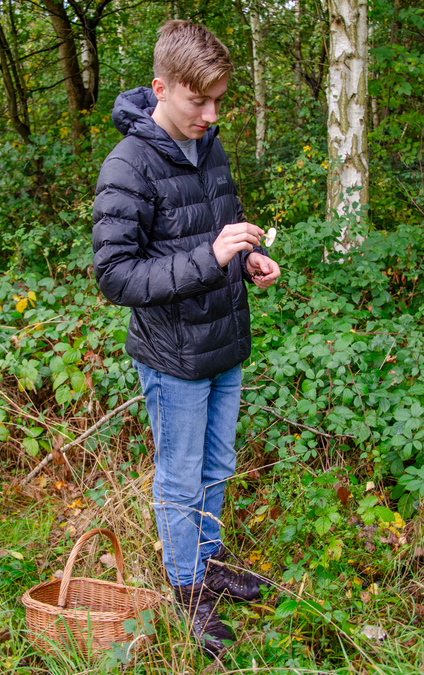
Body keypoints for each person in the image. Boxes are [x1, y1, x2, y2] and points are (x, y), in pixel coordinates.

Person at [92, 20, 280, 656]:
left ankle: (208, 563)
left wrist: (243, 259)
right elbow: (116, 276)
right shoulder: (129, 165)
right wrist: (208, 256)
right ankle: (188, 590)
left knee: (218, 466)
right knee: (180, 478)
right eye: (198, 100)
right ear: (160, 88)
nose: (210, 112)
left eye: (219, 99)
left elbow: (218, 229)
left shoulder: (212, 145)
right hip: (174, 356)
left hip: (224, 340)